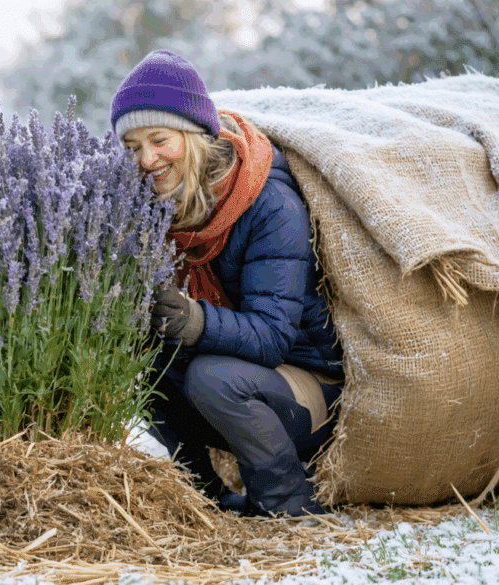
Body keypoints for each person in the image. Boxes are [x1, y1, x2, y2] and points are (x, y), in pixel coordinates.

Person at [111, 50, 343, 517]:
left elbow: (275, 338)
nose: (147, 160)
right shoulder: (159, 204)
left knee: (209, 376)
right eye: (134, 148)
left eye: (159, 140)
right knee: (136, 359)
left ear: (196, 136)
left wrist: (195, 320)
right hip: (234, 379)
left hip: (306, 387)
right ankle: (204, 500)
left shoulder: (267, 203)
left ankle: (287, 504)